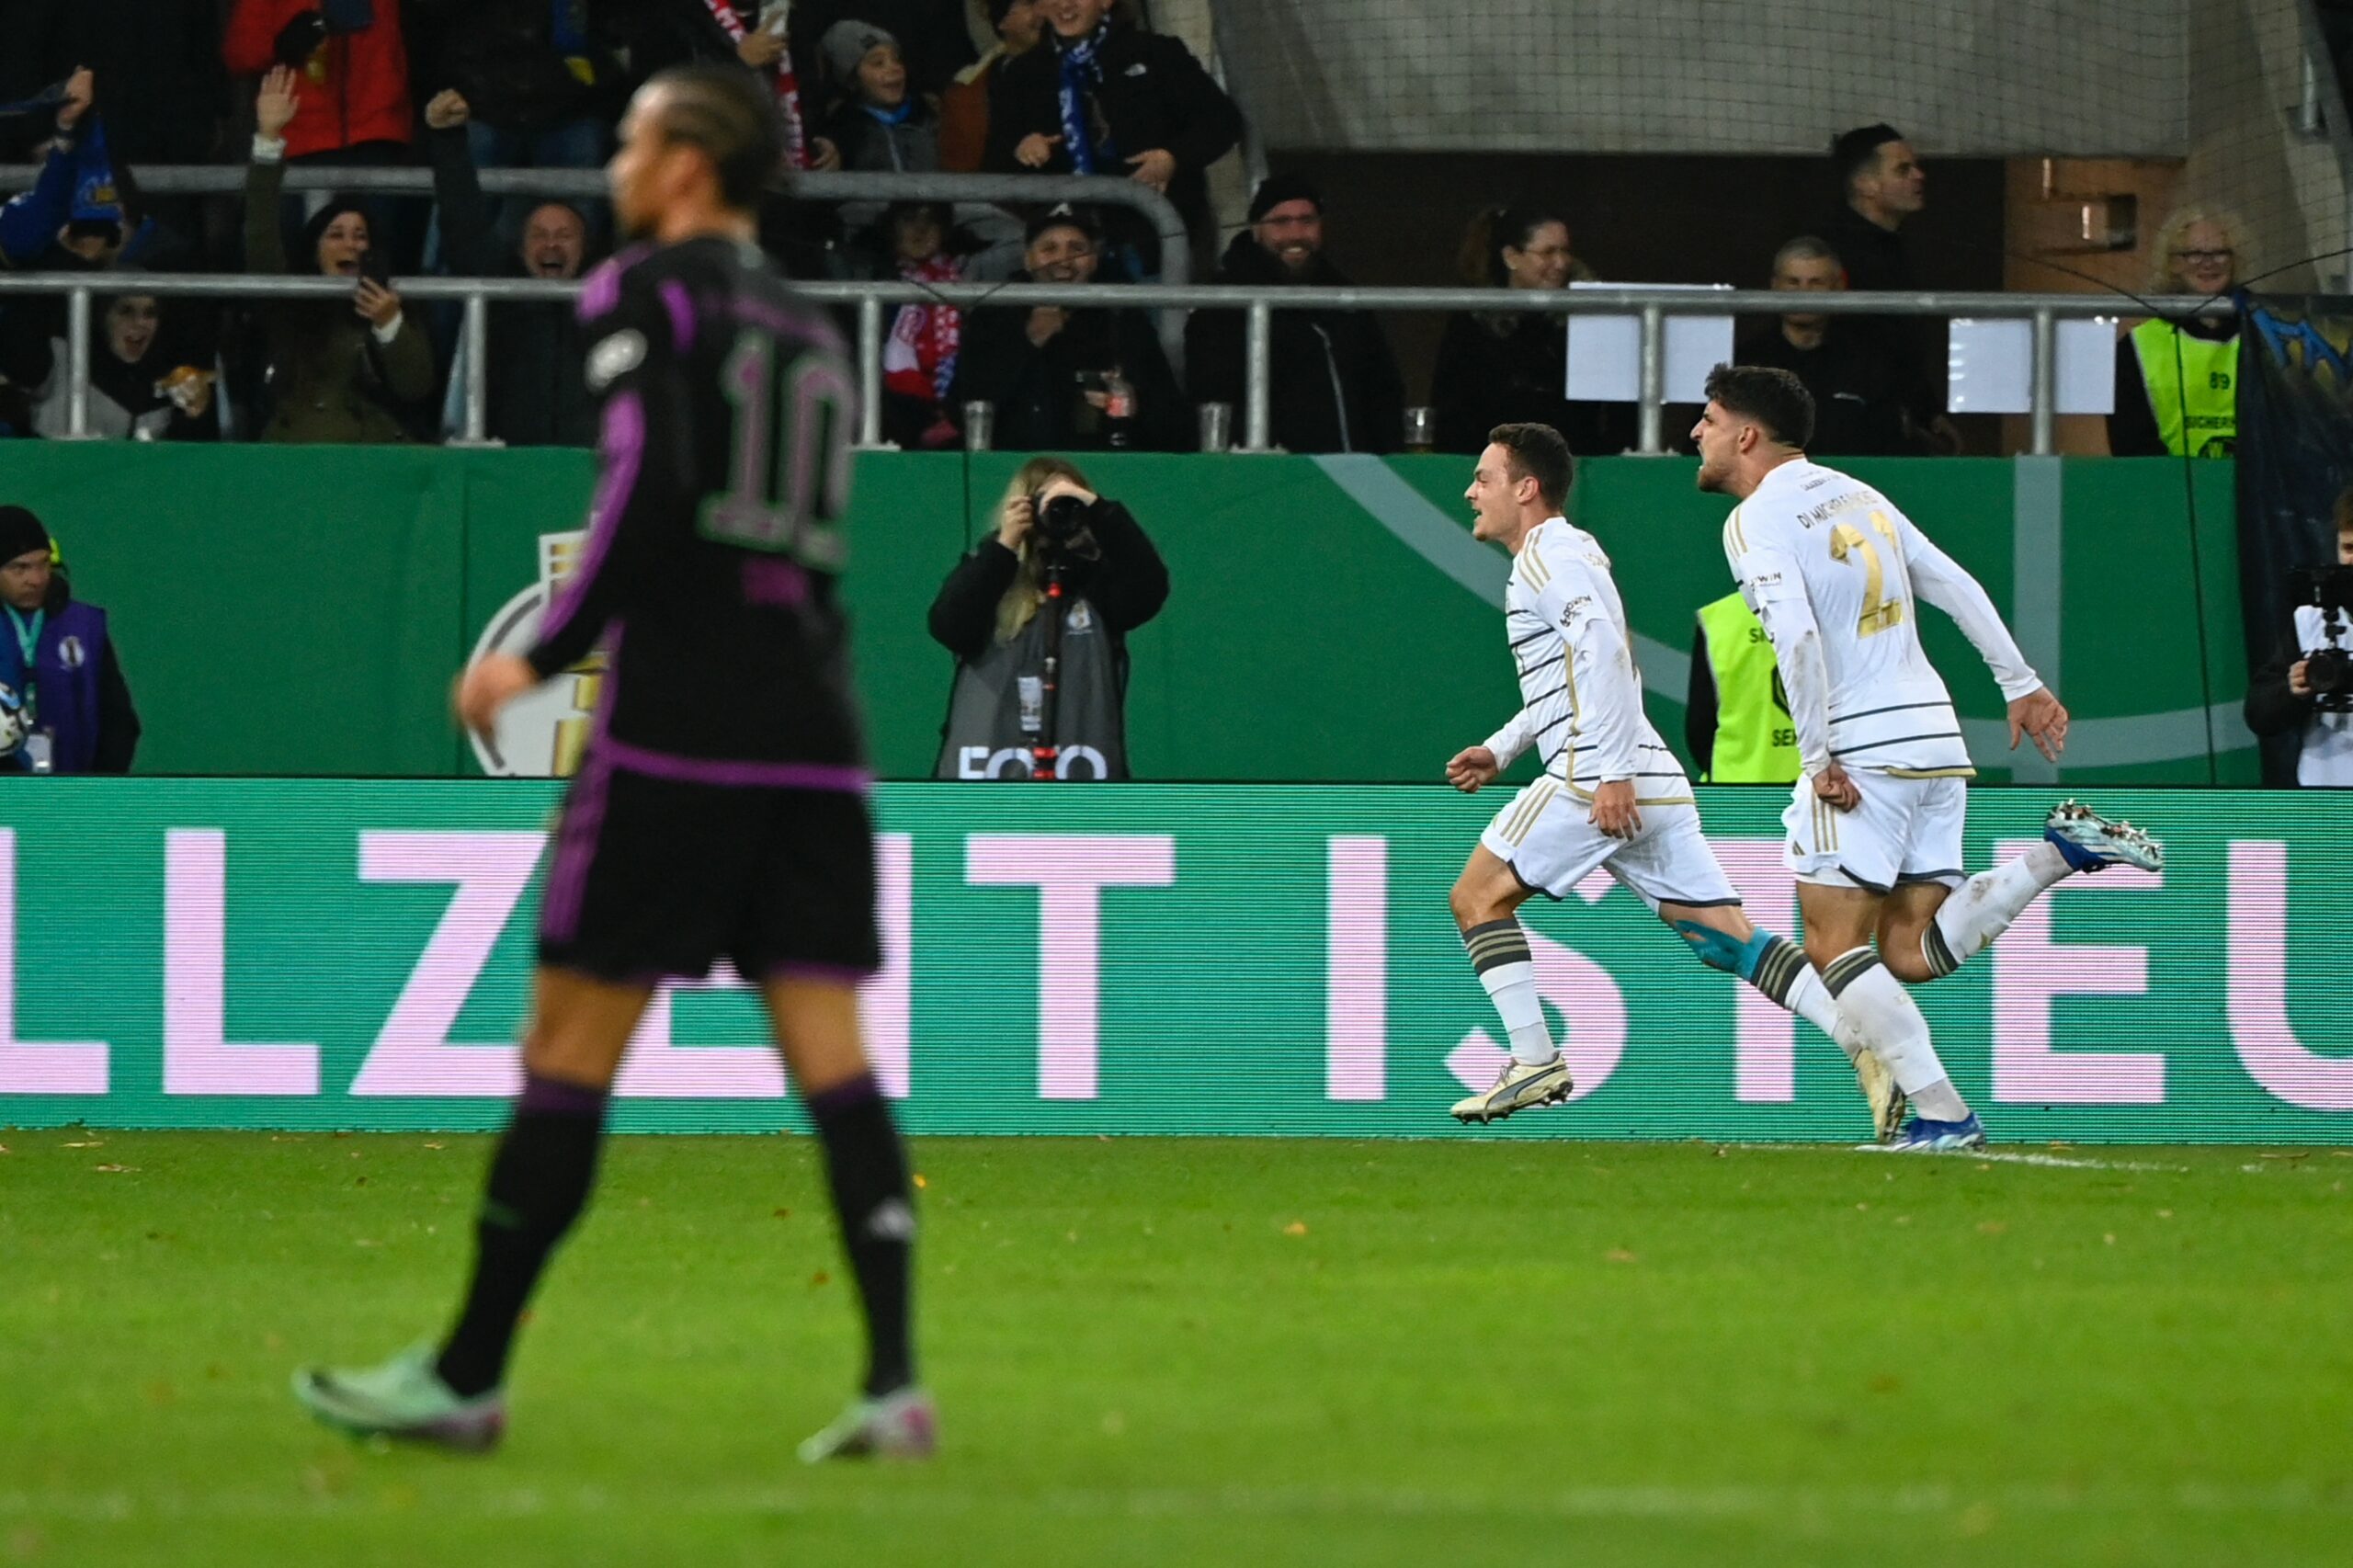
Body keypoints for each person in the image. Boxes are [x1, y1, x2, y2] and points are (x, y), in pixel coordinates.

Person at [291, 63, 930, 1463]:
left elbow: (649, 488)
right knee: (830, 1052)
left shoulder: (650, 292)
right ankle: (894, 1381)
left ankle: (466, 1374)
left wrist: (537, 651)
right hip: (812, 730)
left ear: (690, 165)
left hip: (681, 727)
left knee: (569, 1048)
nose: (618, 164)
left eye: (636, 139)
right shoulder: (818, 330)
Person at [1693, 364, 2164, 1153]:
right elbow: (1951, 580)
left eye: (1707, 420)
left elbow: (1798, 637)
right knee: (1910, 950)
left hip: (1862, 746)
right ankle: (2056, 855)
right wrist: (2020, 682)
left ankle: (1946, 1115)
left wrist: (1818, 757)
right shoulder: (1856, 493)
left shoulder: (1753, 522)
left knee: (1833, 946)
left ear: (1746, 433)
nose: (1695, 435)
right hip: (1936, 741)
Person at [1440, 423, 1893, 1134]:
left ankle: (1534, 1058)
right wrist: (1503, 749)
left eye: (1484, 478)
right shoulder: (1566, 552)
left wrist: (1611, 773)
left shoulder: (1545, 558)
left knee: (1476, 898)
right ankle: (1871, 1049)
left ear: (1526, 489)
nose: (1471, 491)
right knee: (1727, 938)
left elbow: (1604, 658)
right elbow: (1573, 675)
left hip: (1599, 774)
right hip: (1645, 773)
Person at [929, 456, 1168, 778]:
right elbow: (950, 626)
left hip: (1082, 777)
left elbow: (1149, 587)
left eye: (1067, 503)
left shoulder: (1097, 586)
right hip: (986, 778)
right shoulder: (991, 576)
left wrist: (1098, 510)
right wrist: (1004, 546)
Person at [243, 66, 435, 443]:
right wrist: (268, 139)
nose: (351, 245)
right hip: (296, 458)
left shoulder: (396, 307)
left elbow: (416, 387)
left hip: (374, 463)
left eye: (361, 236)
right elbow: (260, 235)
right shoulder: (290, 303)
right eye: (337, 235)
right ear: (314, 251)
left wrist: (389, 324)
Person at [983, 0, 1241, 269]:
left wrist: (1173, 157)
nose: (1064, 4)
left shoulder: (1157, 53)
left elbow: (1221, 122)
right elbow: (995, 163)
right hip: (1066, 248)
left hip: (1156, 237)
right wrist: (1021, 149)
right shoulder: (1022, 74)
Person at [425, 89, 597, 446]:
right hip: (513, 469)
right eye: (539, 235)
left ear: (585, 248)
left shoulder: (608, 304)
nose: (551, 244)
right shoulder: (503, 296)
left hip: (589, 471)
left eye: (564, 235)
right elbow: (463, 225)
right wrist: (448, 141)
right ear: (520, 249)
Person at [1186, 176, 1407, 455]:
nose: (1296, 234)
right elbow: (1211, 398)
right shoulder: (1224, 303)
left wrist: (1388, 461)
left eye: (1307, 221)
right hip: (1271, 478)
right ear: (1256, 230)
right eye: (1280, 222)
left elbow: (1383, 392)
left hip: (1355, 477)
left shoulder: (1346, 300)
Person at [948, 205, 1187, 451]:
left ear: (1094, 260)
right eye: (1049, 249)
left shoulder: (1121, 317)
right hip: (1013, 467)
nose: (1064, 261)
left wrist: (1137, 407)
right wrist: (1028, 342)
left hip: (1102, 465)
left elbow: (1175, 424)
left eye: (1077, 249)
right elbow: (962, 409)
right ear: (1028, 260)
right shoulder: (995, 313)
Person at [1429, 203, 1630, 458]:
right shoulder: (1474, 320)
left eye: (1565, 251)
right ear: (1511, 257)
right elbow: (1451, 415)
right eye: (1547, 252)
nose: (1560, 263)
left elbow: (1618, 412)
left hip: (1574, 468)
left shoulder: (1590, 316)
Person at [1819, 124, 1958, 454]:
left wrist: (1926, 410)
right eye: (1903, 169)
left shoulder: (1894, 249)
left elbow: (1902, 344)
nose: (1919, 176)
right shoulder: (1830, 252)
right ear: (1865, 183)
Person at [1734, 236, 1914, 457]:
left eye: (1816, 282)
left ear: (1837, 287)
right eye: (1793, 282)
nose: (1803, 293)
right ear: (1774, 285)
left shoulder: (1868, 363)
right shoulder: (1746, 364)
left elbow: (1893, 451)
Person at [0, 506, 139, 774]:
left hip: (74, 795)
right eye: (20, 568)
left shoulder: (84, 628)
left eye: (43, 564)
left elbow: (118, 721)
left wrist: (93, 790)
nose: (36, 579)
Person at [2109, 204, 2245, 459]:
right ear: (2173, 263)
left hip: (2256, 489)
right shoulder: (2136, 347)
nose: (2208, 263)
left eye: (2219, 253)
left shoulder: (2265, 335)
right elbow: (2128, 443)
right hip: (2167, 489)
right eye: (2194, 254)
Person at [2243, 487, 2353, 786]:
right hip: (2325, 796)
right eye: (2348, 548)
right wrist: (2293, 690)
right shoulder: (2310, 618)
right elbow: (2259, 715)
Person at [30, 294, 221, 441]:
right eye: (126, 311)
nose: (140, 322)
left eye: (150, 313)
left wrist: (194, 414)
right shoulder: (60, 356)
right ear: (103, 315)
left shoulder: (166, 380)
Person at [1684, 590, 1797, 784]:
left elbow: (1699, 728)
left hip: (1735, 794)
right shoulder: (1839, 612)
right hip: (1827, 794)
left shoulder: (1720, 619)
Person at [938, 0, 1042, 171]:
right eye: (1028, 4)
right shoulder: (968, 93)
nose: (1041, 13)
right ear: (1002, 21)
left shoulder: (1075, 67)